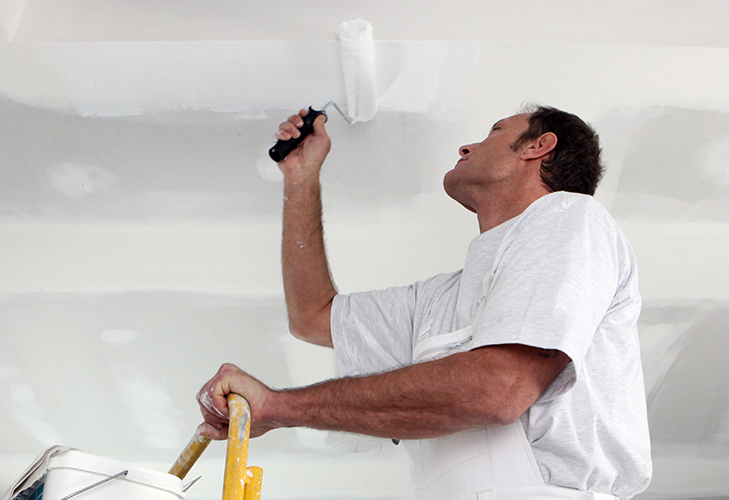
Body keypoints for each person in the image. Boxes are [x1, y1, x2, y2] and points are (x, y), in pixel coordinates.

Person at [196, 105, 652, 500]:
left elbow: (498, 391)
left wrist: (282, 406)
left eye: (494, 131)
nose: (466, 147)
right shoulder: (439, 300)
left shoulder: (571, 217)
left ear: (538, 146)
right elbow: (313, 317)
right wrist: (302, 177)